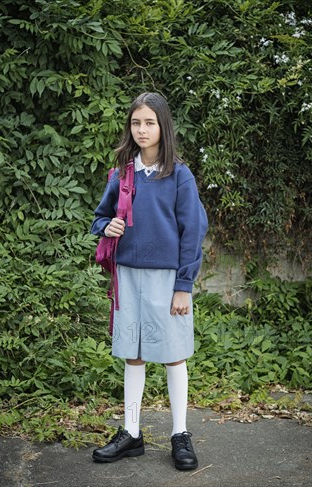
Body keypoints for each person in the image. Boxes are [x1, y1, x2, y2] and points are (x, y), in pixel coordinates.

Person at [90, 92, 208, 471]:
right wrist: (106, 225)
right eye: (136, 123)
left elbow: (193, 231)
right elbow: (99, 218)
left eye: (149, 123)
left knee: (173, 355)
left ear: (163, 127)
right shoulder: (122, 173)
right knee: (133, 354)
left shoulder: (179, 175)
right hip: (127, 277)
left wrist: (183, 286)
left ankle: (179, 434)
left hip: (166, 279)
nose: (141, 130)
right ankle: (131, 433)